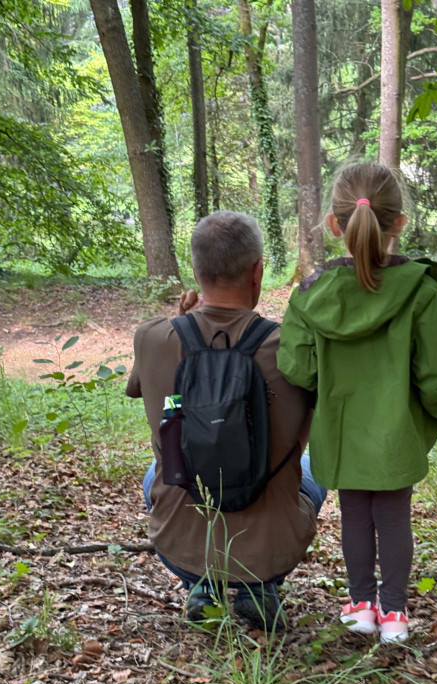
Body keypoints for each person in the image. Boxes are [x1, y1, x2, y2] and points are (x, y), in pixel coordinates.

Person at [277, 163, 437, 643]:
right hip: (397, 434)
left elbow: (298, 369)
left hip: (342, 433)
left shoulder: (310, 296)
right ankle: (395, 614)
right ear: (399, 222)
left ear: (333, 224)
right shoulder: (421, 289)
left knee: (355, 514)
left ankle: (362, 606)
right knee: (394, 515)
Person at [126, 211, 326, 629]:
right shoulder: (292, 346)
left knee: (155, 474)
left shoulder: (151, 338)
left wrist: (181, 320)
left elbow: (145, 388)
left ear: (196, 271)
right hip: (273, 549)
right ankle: (260, 588)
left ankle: (203, 586)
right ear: (257, 272)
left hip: (178, 545)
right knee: (311, 470)